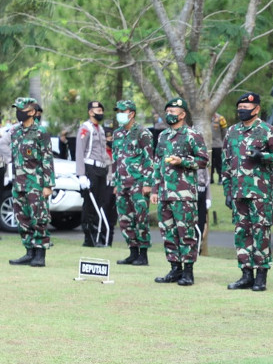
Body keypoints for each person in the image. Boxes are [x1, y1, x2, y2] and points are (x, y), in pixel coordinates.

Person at [222, 92, 273, 292]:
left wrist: (263, 156)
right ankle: (246, 274)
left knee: (261, 232)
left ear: (256, 109)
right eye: (240, 107)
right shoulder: (232, 132)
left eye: (246, 107)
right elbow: (226, 163)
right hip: (238, 192)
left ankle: (261, 276)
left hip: (260, 193)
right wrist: (227, 190)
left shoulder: (268, 131)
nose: (242, 110)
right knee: (242, 232)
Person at [150, 97, 209, 286]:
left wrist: (182, 161)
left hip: (184, 194)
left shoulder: (193, 135)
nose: (169, 115)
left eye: (173, 112)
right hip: (165, 193)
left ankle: (188, 272)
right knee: (168, 232)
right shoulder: (163, 136)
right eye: (167, 112)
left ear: (182, 114)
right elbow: (157, 164)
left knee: (186, 232)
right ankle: (174, 269)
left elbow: (203, 160)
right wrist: (155, 188)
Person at [8, 97, 54, 267]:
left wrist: (48, 185)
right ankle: (29, 252)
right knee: (22, 218)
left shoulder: (41, 132)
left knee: (39, 218)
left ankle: (40, 254)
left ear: (33, 112)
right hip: (19, 183)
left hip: (36, 184)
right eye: (17, 109)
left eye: (22, 109)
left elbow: (47, 159)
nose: (19, 112)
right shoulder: (15, 132)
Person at [111, 100, 154, 266]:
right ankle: (132, 252)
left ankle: (143, 254)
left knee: (140, 218)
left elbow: (149, 159)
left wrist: (148, 183)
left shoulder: (143, 133)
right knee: (124, 219)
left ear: (132, 113)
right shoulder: (118, 134)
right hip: (122, 183)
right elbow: (116, 159)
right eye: (118, 110)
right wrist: (115, 182)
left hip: (139, 183)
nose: (120, 113)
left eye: (123, 110)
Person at [75, 100, 112, 247]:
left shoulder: (101, 129)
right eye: (98, 110)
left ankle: (98, 236)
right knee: (90, 204)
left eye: (102, 110)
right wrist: (81, 174)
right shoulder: (86, 128)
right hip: (90, 168)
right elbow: (79, 151)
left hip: (101, 169)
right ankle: (88, 237)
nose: (100, 113)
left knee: (100, 202)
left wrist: (109, 173)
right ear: (90, 112)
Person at [209, 112, 227, 183]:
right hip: (208, 145)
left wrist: (222, 142)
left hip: (217, 145)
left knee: (219, 162)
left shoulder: (220, 118)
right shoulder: (205, 118)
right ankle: (211, 178)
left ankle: (220, 178)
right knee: (210, 163)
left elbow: (224, 132)